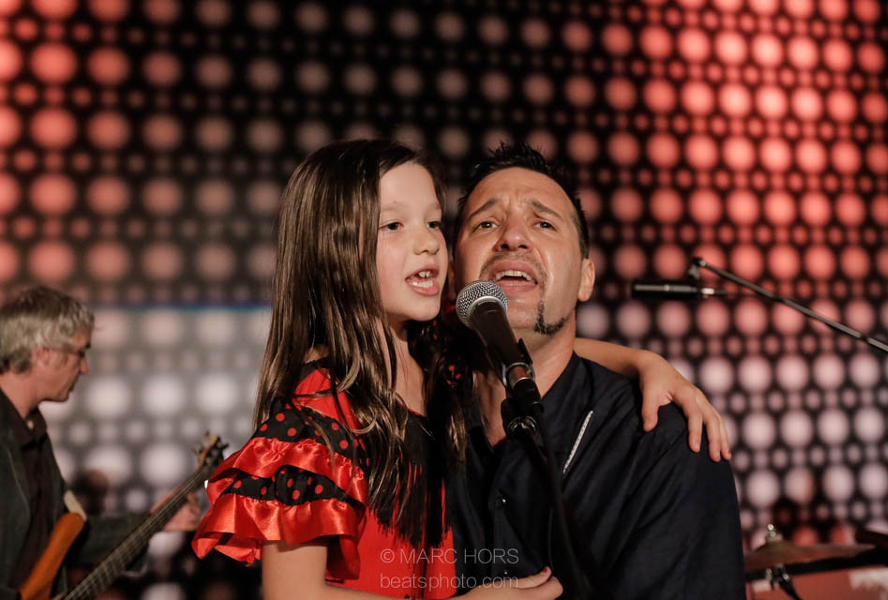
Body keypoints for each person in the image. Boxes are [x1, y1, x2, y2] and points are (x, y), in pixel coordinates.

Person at [191, 139, 727, 599]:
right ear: (335, 254)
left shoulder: (437, 358)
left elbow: (529, 341)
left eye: (432, 222)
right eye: (394, 225)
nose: (427, 242)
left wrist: (643, 361)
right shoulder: (323, 412)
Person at [448, 142, 745, 599]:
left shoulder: (663, 447)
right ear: (453, 277)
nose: (512, 237)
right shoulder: (406, 424)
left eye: (543, 223)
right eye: (486, 223)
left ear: (586, 278)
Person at [0, 286, 201, 600]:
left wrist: (153, 522)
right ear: (43, 352)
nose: (84, 367)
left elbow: (69, 537)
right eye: (79, 352)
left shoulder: (33, 430)